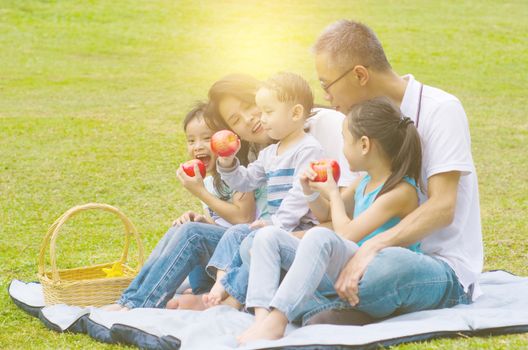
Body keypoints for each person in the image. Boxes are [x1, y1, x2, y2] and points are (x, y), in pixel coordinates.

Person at [236, 19, 483, 330]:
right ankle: (320, 307)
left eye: (327, 84)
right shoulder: (365, 126)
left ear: (359, 75)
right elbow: (342, 214)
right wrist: (312, 203)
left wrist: (373, 246)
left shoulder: (440, 110)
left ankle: (317, 305)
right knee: (258, 244)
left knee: (387, 267)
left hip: (435, 265)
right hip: (364, 255)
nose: (326, 96)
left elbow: (442, 208)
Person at [238, 97, 423, 343]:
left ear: (365, 145)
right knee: (265, 237)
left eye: (345, 140)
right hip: (347, 263)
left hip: (370, 270)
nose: (342, 148)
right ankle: (262, 317)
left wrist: (334, 193)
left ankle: (282, 318)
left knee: (318, 236)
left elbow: (345, 233)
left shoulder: (400, 192)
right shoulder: (364, 181)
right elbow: (325, 215)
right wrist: (311, 191)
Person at [101, 102, 258, 311]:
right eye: (191, 140)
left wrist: (199, 193)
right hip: (221, 255)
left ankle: (139, 304)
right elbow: (221, 222)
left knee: (193, 234)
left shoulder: (238, 173)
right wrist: (204, 221)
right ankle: (130, 299)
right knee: (184, 227)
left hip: (243, 247)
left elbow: (243, 218)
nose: (198, 146)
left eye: (206, 138)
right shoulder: (209, 181)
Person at [202, 72, 326, 307]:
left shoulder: (308, 149)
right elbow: (245, 181)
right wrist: (227, 162)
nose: (262, 119)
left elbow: (299, 195)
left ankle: (232, 299)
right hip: (278, 227)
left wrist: (276, 225)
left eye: (268, 112)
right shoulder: (269, 154)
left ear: (296, 113)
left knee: (256, 244)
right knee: (237, 233)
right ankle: (221, 281)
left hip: (300, 228)